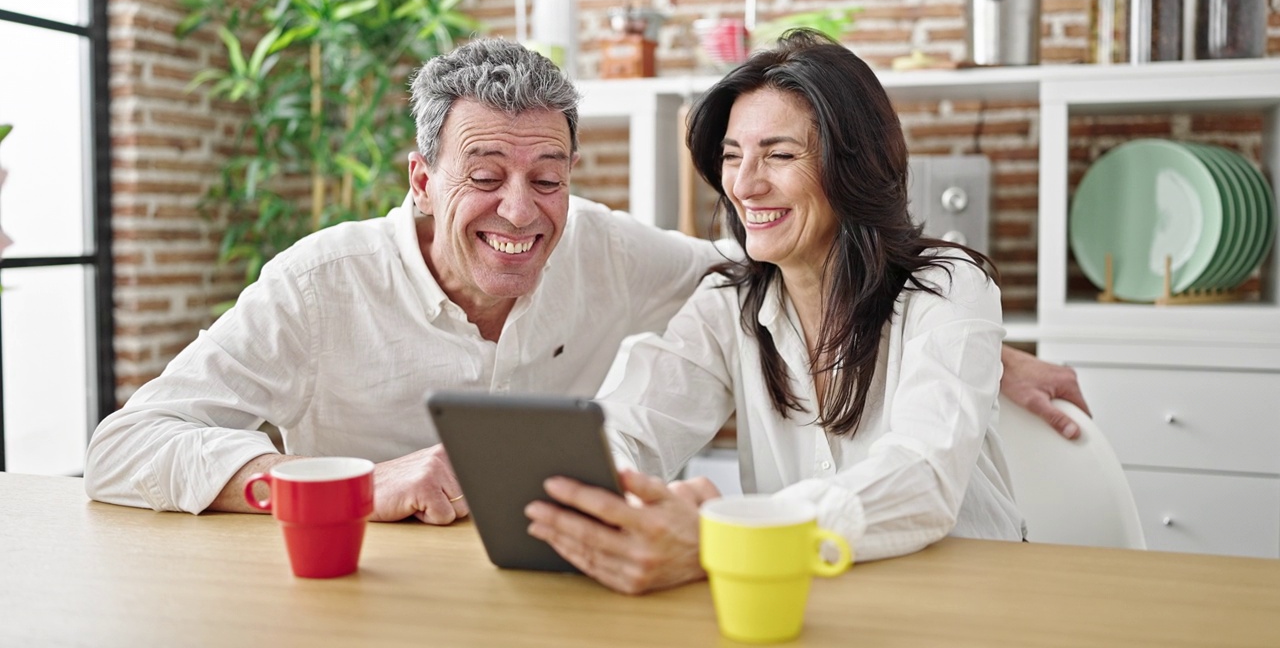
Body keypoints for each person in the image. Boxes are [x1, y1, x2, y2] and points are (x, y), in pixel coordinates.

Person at [85, 38, 1086, 522]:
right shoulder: (320, 284)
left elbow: (903, 446)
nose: (519, 212)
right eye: (483, 177)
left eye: (548, 178)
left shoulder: (649, 260)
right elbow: (636, 416)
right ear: (422, 180)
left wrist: (964, 337)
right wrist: (346, 487)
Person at [526, 30, 1026, 595]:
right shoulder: (728, 302)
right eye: (733, 157)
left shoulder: (949, 285)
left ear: (853, 166)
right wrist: (600, 491)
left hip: (966, 595)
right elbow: (634, 423)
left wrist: (730, 538)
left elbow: (922, 476)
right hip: (810, 598)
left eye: (780, 155)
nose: (744, 184)